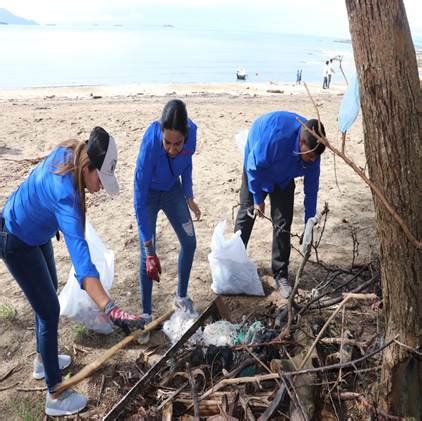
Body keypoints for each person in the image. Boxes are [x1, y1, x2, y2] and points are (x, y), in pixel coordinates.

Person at [0, 127, 145, 417]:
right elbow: (83, 268)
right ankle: (55, 394)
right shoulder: (67, 196)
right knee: (49, 311)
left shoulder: (73, 151)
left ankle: (43, 361)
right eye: (100, 179)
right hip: (15, 239)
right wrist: (112, 310)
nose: (101, 187)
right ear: (88, 167)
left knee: (50, 288)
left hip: (36, 231)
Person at [234, 111, 326, 298]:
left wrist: (309, 221)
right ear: (301, 143)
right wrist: (258, 199)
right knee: (248, 213)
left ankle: (280, 273)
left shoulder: (313, 149)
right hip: (260, 167)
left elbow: (311, 189)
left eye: (316, 157)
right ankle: (233, 264)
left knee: (283, 221)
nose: (314, 161)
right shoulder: (276, 138)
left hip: (284, 177)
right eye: (311, 157)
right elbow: (253, 166)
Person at [134, 99, 200, 322]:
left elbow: (187, 164)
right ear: (160, 132)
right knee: (147, 255)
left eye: (177, 144)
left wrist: (189, 195)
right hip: (149, 195)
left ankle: (181, 297)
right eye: (167, 143)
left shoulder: (192, 136)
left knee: (190, 242)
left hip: (173, 190)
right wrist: (149, 248)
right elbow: (139, 197)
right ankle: (146, 313)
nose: (172, 149)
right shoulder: (150, 144)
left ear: (186, 135)